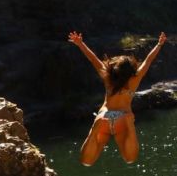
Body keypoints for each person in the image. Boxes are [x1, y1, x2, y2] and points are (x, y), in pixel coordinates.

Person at [68, 31, 166, 166]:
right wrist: (159, 44)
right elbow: (149, 59)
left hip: (104, 116)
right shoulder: (135, 79)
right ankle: (130, 126)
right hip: (124, 117)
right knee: (130, 159)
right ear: (131, 69)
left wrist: (80, 43)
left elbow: (92, 59)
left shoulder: (108, 78)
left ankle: (93, 132)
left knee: (87, 162)